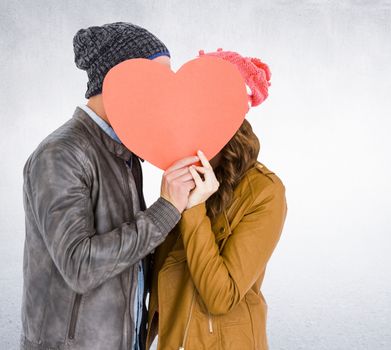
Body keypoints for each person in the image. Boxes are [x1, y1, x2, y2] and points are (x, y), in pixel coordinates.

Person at [20, 22, 198, 350]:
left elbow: (131, 252)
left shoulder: (125, 153)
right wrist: (166, 209)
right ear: (119, 81)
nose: (165, 95)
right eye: (157, 81)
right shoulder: (61, 154)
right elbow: (80, 266)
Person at [146, 49, 288, 350]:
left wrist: (195, 209)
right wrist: (167, 206)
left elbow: (220, 296)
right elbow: (156, 274)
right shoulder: (184, 172)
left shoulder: (265, 192)